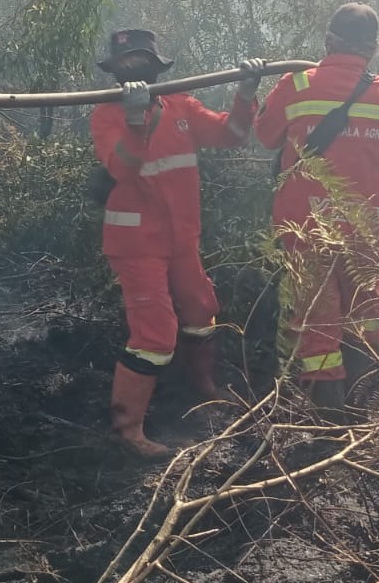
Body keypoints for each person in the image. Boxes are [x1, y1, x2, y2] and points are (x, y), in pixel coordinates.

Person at [90, 28, 264, 457]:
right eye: (126, 61)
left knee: (201, 310)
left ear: (156, 63)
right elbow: (123, 169)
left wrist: (246, 91)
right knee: (154, 333)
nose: (135, 66)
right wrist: (134, 122)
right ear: (116, 71)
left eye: (141, 58)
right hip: (136, 241)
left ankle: (201, 386)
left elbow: (235, 134)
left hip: (182, 238)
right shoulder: (107, 115)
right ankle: (126, 430)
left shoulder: (182, 105)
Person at [253, 3, 379, 420]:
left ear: (329, 40)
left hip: (308, 228)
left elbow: (265, 136)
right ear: (372, 48)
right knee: (367, 317)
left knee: (318, 325)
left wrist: (248, 90)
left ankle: (331, 424)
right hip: (365, 230)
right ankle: (365, 413)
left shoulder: (296, 84)